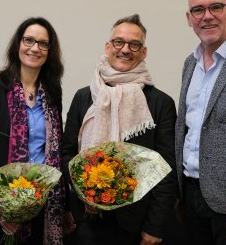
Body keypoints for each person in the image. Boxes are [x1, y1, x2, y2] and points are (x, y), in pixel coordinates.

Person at [61, 14, 177, 245]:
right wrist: (85, 192)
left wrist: (155, 226)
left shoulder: (160, 103)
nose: (125, 49)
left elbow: (166, 169)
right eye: (119, 42)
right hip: (87, 219)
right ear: (108, 47)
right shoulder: (84, 97)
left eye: (134, 44)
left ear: (143, 52)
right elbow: (66, 153)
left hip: (137, 224)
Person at [0, 17, 74, 244]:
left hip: (43, 203)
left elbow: (54, 155)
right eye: (29, 40)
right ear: (18, 44)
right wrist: (3, 202)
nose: (35, 48)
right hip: (0, 208)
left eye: (43, 43)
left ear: (49, 50)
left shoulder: (52, 93)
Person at [176, 0, 226, 245]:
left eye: (215, 7)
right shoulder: (190, 63)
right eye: (198, 10)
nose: (207, 16)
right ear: (189, 19)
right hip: (190, 196)